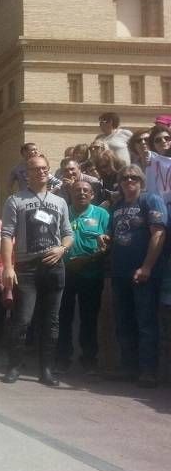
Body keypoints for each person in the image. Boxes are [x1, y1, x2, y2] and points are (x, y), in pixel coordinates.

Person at [1, 153, 73, 386]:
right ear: (26, 173)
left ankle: (46, 370)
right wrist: (8, 267)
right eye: (35, 169)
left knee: (51, 321)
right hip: (27, 268)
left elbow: (68, 234)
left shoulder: (60, 202)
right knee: (23, 319)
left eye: (44, 168)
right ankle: (14, 366)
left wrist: (62, 249)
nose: (40, 172)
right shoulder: (15, 200)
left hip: (54, 267)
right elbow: (6, 235)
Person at [108, 165, 166, 388]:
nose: (128, 180)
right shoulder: (118, 206)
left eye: (133, 177)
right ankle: (128, 367)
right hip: (120, 272)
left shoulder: (151, 200)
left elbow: (159, 233)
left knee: (146, 322)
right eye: (124, 178)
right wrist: (106, 238)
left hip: (143, 273)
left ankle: (148, 371)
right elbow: (115, 234)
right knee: (124, 322)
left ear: (141, 180)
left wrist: (147, 267)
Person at [56, 180, 109, 374]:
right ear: (70, 192)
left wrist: (89, 259)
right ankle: (62, 358)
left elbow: (107, 243)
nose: (81, 193)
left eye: (86, 190)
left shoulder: (102, 214)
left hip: (91, 274)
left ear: (92, 195)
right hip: (65, 273)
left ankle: (89, 359)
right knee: (63, 317)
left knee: (89, 318)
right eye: (77, 190)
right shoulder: (62, 212)